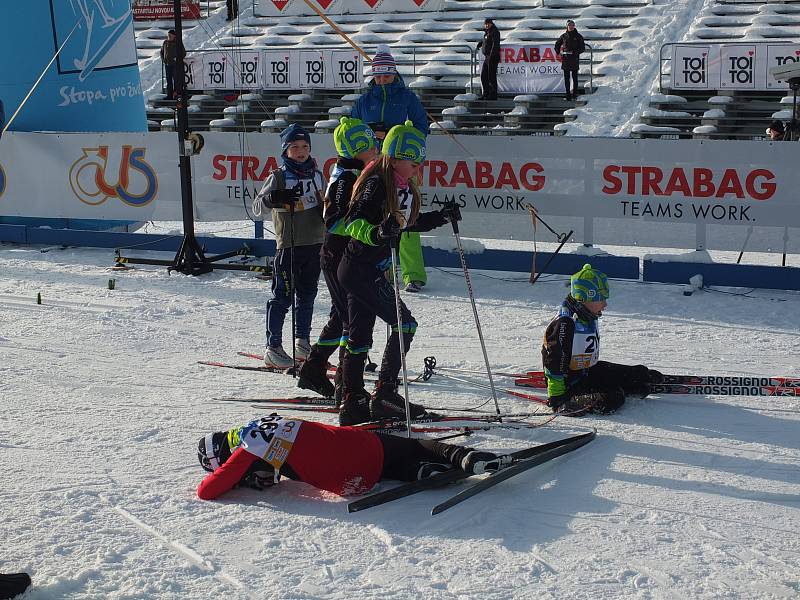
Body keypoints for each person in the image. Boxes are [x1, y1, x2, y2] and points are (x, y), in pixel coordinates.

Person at [336, 121, 461, 426]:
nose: (418, 168)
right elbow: (352, 221)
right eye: (414, 162)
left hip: (365, 269)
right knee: (405, 323)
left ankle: (353, 398)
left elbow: (408, 223)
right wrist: (379, 233)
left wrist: (440, 217)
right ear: (397, 159)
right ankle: (384, 395)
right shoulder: (378, 183)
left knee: (360, 335)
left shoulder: (400, 185)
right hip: (360, 268)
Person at [196, 414, 505, 500]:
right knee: (411, 444)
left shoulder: (248, 448)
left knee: (384, 469)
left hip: (350, 483)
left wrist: (232, 475)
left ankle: (420, 473)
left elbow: (207, 490)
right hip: (360, 446)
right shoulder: (257, 431)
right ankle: (462, 455)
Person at [297, 117, 379, 399]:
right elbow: (332, 220)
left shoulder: (357, 170)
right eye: (370, 145)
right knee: (350, 319)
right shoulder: (345, 176)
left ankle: (314, 368)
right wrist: (365, 225)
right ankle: (346, 384)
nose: (377, 149)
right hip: (336, 254)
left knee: (341, 314)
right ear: (355, 149)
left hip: (348, 255)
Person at [350, 44, 431, 293]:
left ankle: (413, 273)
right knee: (376, 217)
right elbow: (353, 129)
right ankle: (381, 269)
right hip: (375, 164)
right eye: (379, 75)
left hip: (402, 164)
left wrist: (396, 135)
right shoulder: (364, 100)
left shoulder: (407, 98)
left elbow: (422, 128)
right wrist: (371, 133)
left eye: (387, 74)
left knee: (407, 216)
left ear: (395, 74)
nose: (383, 79)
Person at [541, 264, 663, 416]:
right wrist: (557, 395)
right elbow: (554, 360)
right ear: (585, 297)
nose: (605, 304)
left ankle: (635, 380)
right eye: (601, 299)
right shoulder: (566, 323)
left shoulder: (585, 314)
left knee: (638, 377)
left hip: (586, 371)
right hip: (568, 385)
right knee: (613, 398)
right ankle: (573, 401)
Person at [253, 124, 326, 369]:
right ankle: (273, 347)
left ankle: (301, 341)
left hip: (315, 243)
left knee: (307, 295)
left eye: (305, 146)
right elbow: (256, 208)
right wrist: (274, 198)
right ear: (286, 150)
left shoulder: (317, 174)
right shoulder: (279, 176)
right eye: (295, 147)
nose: (301, 151)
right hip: (289, 246)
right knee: (282, 297)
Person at [554, 20, 585, 101]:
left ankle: (575, 94)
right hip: (566, 59)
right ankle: (568, 95)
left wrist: (575, 52)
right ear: (567, 26)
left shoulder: (578, 36)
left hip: (574, 59)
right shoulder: (563, 36)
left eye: (572, 25)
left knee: (575, 78)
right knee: (566, 78)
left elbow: (582, 48)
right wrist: (558, 52)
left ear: (574, 26)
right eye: (569, 25)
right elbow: (557, 44)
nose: (571, 26)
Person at [476, 18, 501, 101]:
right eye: (485, 24)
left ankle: (493, 95)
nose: (486, 25)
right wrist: (481, 43)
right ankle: (485, 93)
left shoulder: (495, 32)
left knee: (491, 76)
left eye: (488, 24)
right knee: (484, 75)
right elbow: (487, 41)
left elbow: (495, 45)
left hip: (493, 57)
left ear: (491, 24)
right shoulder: (487, 32)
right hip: (487, 57)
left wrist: (491, 55)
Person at [159, 30, 185, 99]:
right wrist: (164, 60)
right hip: (167, 65)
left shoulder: (178, 42)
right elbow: (161, 52)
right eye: (168, 35)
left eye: (170, 35)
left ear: (174, 36)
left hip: (175, 65)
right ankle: (169, 95)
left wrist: (177, 59)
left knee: (176, 80)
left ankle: (176, 94)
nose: (169, 36)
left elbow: (183, 53)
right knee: (169, 80)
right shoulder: (165, 42)